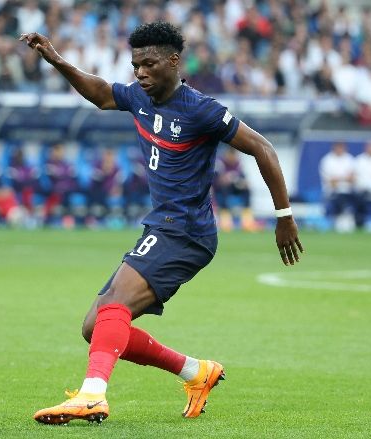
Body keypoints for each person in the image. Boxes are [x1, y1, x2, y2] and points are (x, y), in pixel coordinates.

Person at [20, 22, 302, 425]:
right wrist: (56, 60)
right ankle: (195, 371)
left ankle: (92, 395)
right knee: (94, 326)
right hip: (162, 227)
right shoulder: (139, 98)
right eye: (135, 65)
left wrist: (284, 217)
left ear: (173, 61)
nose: (140, 73)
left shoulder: (201, 109)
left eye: (149, 64)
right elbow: (100, 94)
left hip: (186, 230)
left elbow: (263, 148)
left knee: (113, 306)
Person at [319, 142, 357, 230]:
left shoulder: (349, 159)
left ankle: (351, 219)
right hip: (332, 192)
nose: (340, 149)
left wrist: (338, 178)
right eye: (338, 147)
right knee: (339, 197)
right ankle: (339, 219)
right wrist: (345, 178)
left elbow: (352, 179)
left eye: (341, 147)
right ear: (334, 148)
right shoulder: (327, 160)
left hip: (348, 192)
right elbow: (331, 182)